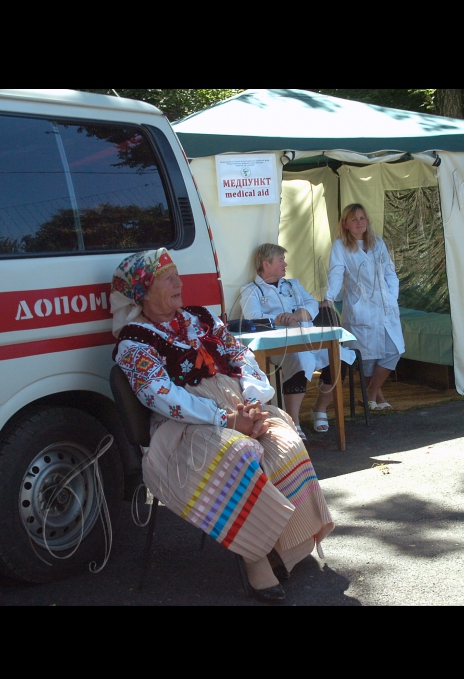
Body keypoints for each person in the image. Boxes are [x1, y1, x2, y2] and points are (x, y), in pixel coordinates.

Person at [110, 248, 334, 603]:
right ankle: (255, 557)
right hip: (185, 428)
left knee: (285, 440)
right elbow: (161, 395)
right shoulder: (134, 341)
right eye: (169, 279)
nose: (179, 283)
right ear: (144, 290)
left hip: (238, 407)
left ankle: (289, 541)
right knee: (241, 454)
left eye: (177, 275)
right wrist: (227, 419)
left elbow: (238, 354)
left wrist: (253, 399)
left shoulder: (200, 318)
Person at [239, 243, 354, 437]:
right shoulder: (251, 290)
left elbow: (312, 304)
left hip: (308, 338)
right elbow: (252, 316)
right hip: (279, 346)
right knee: (301, 361)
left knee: (340, 358)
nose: (286, 264)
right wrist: (277, 319)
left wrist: (302, 313)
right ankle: (293, 420)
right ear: (266, 264)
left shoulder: (293, 284)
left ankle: (319, 408)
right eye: (281, 260)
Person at [320, 204, 405, 410]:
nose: (359, 222)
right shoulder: (341, 246)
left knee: (394, 350)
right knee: (367, 357)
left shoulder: (378, 243)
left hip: (385, 305)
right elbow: (336, 273)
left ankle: (370, 395)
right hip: (360, 306)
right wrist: (329, 297)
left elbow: (389, 273)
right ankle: (376, 399)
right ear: (345, 224)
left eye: (362, 218)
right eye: (354, 219)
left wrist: (392, 297)